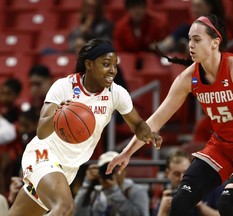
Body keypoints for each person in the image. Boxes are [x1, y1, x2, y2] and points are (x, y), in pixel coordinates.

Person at [106, 14, 233, 216]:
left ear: (215, 43)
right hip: (222, 147)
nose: (191, 44)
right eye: (189, 39)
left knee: (228, 202)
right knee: (179, 201)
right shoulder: (188, 78)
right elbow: (156, 120)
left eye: (197, 39)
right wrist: (127, 152)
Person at [6, 39, 162, 216]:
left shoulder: (116, 93)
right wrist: (58, 114)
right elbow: (41, 132)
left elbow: (138, 124)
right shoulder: (64, 86)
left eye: (114, 65)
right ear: (89, 64)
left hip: (69, 168)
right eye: (105, 64)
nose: (112, 70)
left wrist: (148, 134)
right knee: (64, 208)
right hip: (44, 155)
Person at [74, 151, 150, 216]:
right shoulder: (96, 192)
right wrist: (87, 184)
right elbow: (77, 213)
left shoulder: (136, 191)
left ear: (124, 172)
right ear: (99, 172)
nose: (109, 172)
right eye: (105, 169)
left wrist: (113, 191)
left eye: (114, 168)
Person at [154, 149, 221, 216]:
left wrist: (200, 206)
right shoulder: (167, 197)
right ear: (167, 174)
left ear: (192, 170)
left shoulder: (210, 188)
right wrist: (163, 210)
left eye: (185, 172)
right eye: (176, 174)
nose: (181, 178)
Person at [154, 0, 225, 54]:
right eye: (193, 6)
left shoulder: (218, 26)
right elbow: (174, 37)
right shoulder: (192, 23)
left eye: (199, 6)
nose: (195, 10)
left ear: (209, 7)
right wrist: (163, 46)